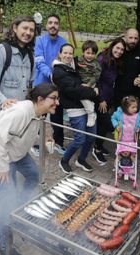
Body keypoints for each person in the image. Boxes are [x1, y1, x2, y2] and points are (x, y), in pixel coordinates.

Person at [0, 83, 59, 255]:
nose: (57, 102)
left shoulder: (39, 112)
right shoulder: (21, 112)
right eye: (54, 98)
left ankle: (18, 209)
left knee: (34, 176)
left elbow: (35, 129)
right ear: (40, 100)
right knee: (7, 199)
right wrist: (2, 167)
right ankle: (4, 247)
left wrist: (46, 137)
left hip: (15, 153)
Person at [0, 15, 36, 120]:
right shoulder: (0, 51)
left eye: (31, 30)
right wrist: (3, 101)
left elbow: (29, 85)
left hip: (19, 116)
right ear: (15, 28)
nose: (28, 33)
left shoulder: (31, 56)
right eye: (25, 28)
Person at [53, 44, 97, 173]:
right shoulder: (58, 71)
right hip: (74, 108)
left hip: (87, 107)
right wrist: (92, 92)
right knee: (79, 139)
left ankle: (81, 159)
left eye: (70, 53)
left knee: (91, 137)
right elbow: (74, 91)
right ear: (60, 54)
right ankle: (64, 161)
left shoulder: (73, 66)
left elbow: (90, 73)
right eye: (65, 53)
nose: (68, 56)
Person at [34, 14, 67, 154]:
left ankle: (58, 143)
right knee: (38, 116)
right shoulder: (39, 41)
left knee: (57, 116)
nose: (53, 25)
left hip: (57, 87)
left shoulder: (63, 41)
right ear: (46, 25)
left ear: (59, 26)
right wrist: (51, 75)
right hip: (41, 84)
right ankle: (37, 144)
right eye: (50, 23)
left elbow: (66, 60)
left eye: (56, 23)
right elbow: (40, 62)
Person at [92, 38, 126, 165]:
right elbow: (96, 79)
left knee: (102, 124)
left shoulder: (116, 61)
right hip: (100, 97)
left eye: (122, 49)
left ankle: (99, 145)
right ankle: (96, 148)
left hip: (108, 97)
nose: (119, 51)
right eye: (117, 48)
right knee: (108, 124)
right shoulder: (102, 59)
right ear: (112, 47)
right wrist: (100, 99)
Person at [111, 95, 140, 178]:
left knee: (133, 156)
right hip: (121, 139)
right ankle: (117, 168)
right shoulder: (119, 112)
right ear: (126, 107)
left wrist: (139, 127)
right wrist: (116, 125)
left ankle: (132, 170)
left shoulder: (138, 114)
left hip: (132, 140)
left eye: (136, 107)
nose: (135, 109)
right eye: (133, 107)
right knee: (119, 155)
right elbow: (113, 118)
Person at [113, 28, 140, 108]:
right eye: (130, 38)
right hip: (117, 96)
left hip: (134, 97)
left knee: (132, 120)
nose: (133, 41)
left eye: (136, 38)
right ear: (125, 37)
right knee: (117, 119)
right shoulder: (119, 52)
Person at [76, 40, 101, 127]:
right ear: (83, 52)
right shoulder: (79, 59)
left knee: (84, 97)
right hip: (81, 82)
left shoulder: (96, 64)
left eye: (93, 53)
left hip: (90, 82)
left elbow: (96, 76)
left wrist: (89, 85)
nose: (90, 56)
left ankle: (91, 113)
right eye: (88, 53)